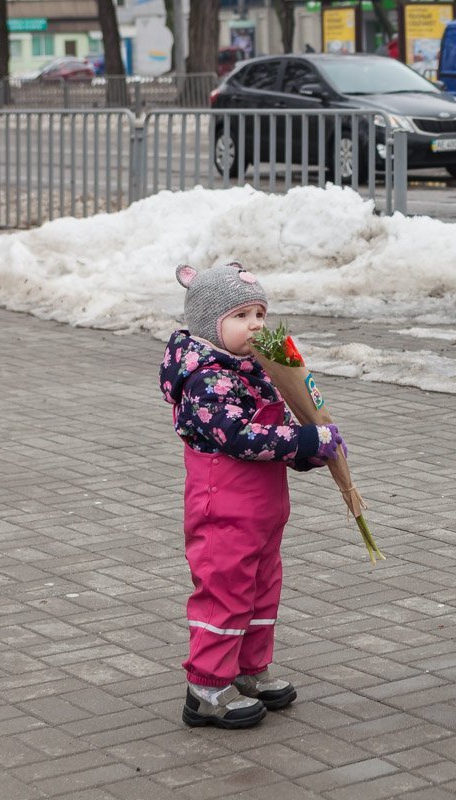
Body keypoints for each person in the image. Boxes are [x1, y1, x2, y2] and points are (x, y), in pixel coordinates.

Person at [160, 262, 346, 729]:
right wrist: (304, 441)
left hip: (262, 513)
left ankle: (247, 670)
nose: (257, 325)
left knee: (261, 592)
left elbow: (274, 430)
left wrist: (307, 451)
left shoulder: (253, 368)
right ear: (211, 324)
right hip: (224, 512)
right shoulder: (207, 379)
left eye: (261, 314)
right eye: (242, 315)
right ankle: (206, 686)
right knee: (225, 594)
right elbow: (240, 437)